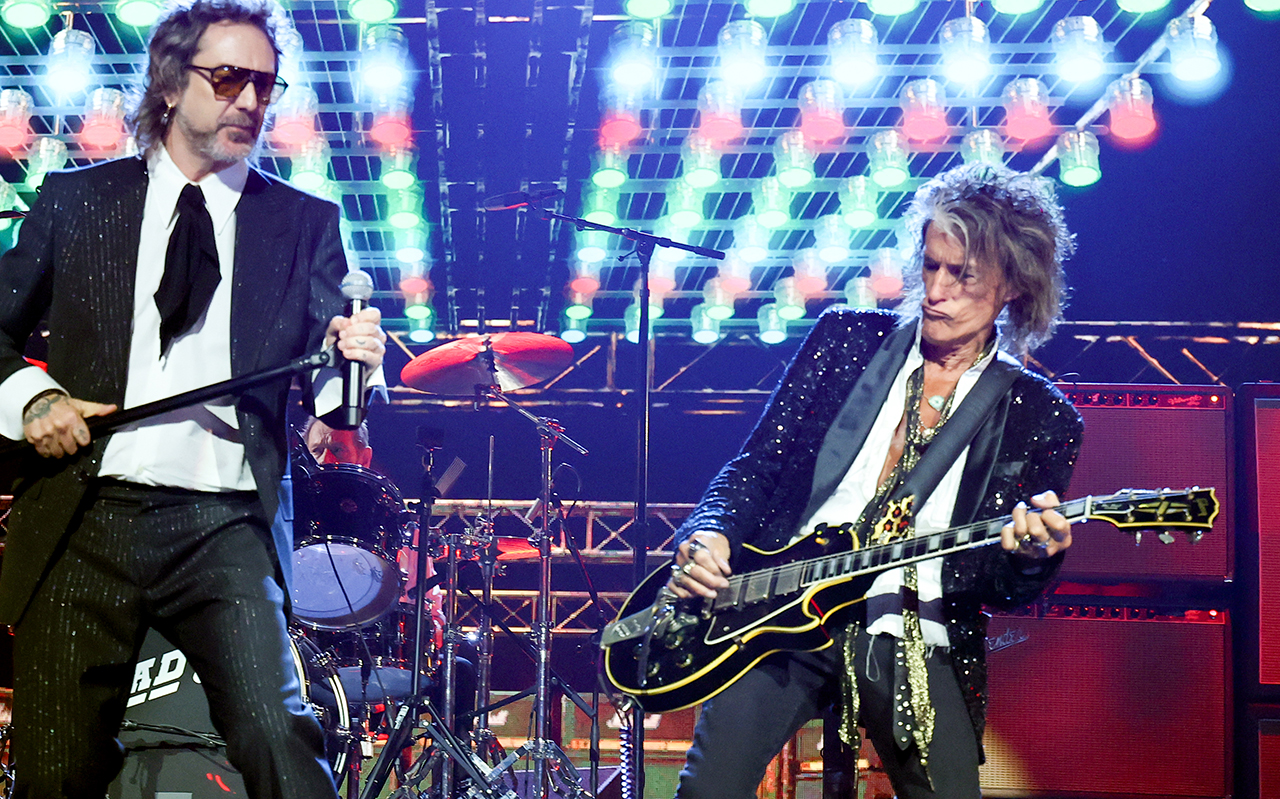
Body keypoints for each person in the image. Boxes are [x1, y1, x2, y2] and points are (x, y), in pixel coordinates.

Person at [0, 0, 386, 796]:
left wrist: (352, 368)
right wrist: (35, 400)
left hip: (224, 524)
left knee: (279, 735)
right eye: (228, 78)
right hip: (85, 515)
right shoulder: (76, 201)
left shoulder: (304, 223)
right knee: (55, 766)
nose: (250, 100)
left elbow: (331, 396)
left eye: (265, 86)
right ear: (171, 85)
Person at [667, 163, 1084, 799]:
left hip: (918, 632)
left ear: (1011, 286)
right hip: (780, 614)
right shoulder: (845, 340)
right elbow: (754, 468)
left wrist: (1034, 557)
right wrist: (710, 532)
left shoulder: (1040, 414)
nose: (938, 289)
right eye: (930, 265)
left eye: (962, 275)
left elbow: (1004, 589)